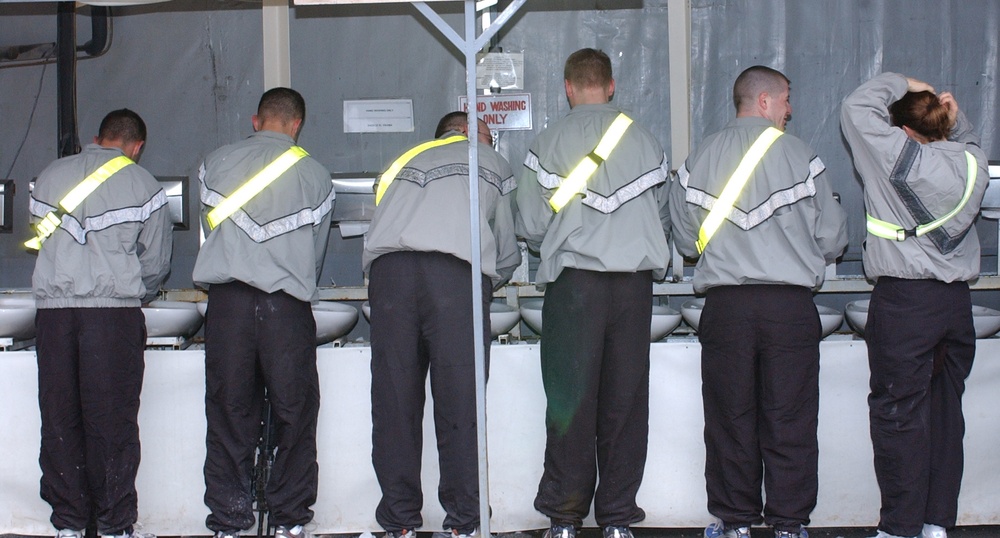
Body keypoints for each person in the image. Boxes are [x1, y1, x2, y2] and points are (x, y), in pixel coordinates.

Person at [669, 65, 848, 538]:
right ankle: (789, 524)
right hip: (789, 309)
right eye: (786, 99)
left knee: (730, 419)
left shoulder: (697, 159)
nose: (791, 109)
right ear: (765, 102)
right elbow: (833, 237)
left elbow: (687, 242)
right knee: (790, 418)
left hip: (727, 308)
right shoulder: (803, 157)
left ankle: (734, 523)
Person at [515, 48, 671, 538]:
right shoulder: (646, 142)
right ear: (610, 85)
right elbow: (664, 217)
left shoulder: (546, 143)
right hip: (633, 288)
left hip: (575, 287)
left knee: (569, 402)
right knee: (624, 403)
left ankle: (565, 519)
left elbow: (531, 225)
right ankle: (618, 519)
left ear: (567, 87)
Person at [841, 73, 989, 538]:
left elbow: (854, 109)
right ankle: (935, 522)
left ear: (903, 130)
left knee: (898, 414)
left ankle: (899, 527)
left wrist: (901, 80)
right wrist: (955, 119)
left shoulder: (893, 156)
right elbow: (964, 142)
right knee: (946, 414)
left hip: (905, 302)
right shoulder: (973, 162)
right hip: (955, 305)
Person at [363, 111, 519, 538]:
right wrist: (490, 279)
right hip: (453, 279)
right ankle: (465, 524)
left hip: (389, 276)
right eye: (487, 136)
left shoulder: (403, 160)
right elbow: (505, 248)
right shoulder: (488, 161)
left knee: (394, 405)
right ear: (470, 134)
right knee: (460, 405)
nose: (489, 145)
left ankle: (398, 523)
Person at [193, 87, 335, 538]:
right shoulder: (316, 176)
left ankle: (230, 521)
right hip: (285, 309)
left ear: (256, 121)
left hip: (228, 306)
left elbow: (207, 227)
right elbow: (315, 252)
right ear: (297, 125)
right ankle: (289, 521)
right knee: (294, 414)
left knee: (230, 411)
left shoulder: (213, 163)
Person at [29, 108, 173, 538]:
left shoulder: (50, 175)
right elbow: (156, 263)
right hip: (111, 318)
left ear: (97, 137)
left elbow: (38, 235)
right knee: (111, 421)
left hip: (54, 318)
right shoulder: (143, 184)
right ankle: (113, 525)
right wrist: (131, 291)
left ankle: (69, 524)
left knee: (59, 419)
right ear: (137, 147)